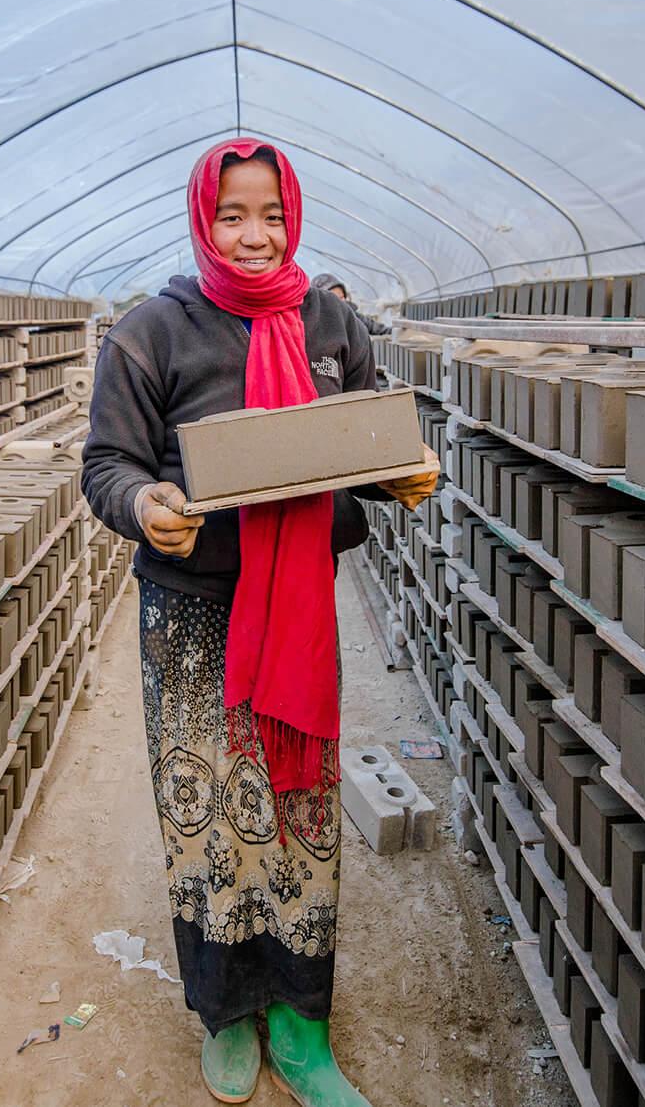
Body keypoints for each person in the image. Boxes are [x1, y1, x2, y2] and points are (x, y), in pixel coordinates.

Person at [81, 139, 440, 1105]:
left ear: (294, 217)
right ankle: (229, 1012)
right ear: (204, 217)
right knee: (207, 823)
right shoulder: (150, 333)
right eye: (234, 215)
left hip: (297, 615)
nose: (253, 235)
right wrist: (145, 501)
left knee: (298, 815)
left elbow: (368, 435)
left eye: (271, 216)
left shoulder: (329, 322)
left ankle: (300, 1020)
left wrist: (404, 474)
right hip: (194, 621)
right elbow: (105, 466)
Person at [310, 272, 390, 335]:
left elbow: (374, 328)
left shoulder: (352, 316)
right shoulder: (312, 326)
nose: (339, 303)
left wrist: (394, 332)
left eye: (341, 298)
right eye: (333, 300)